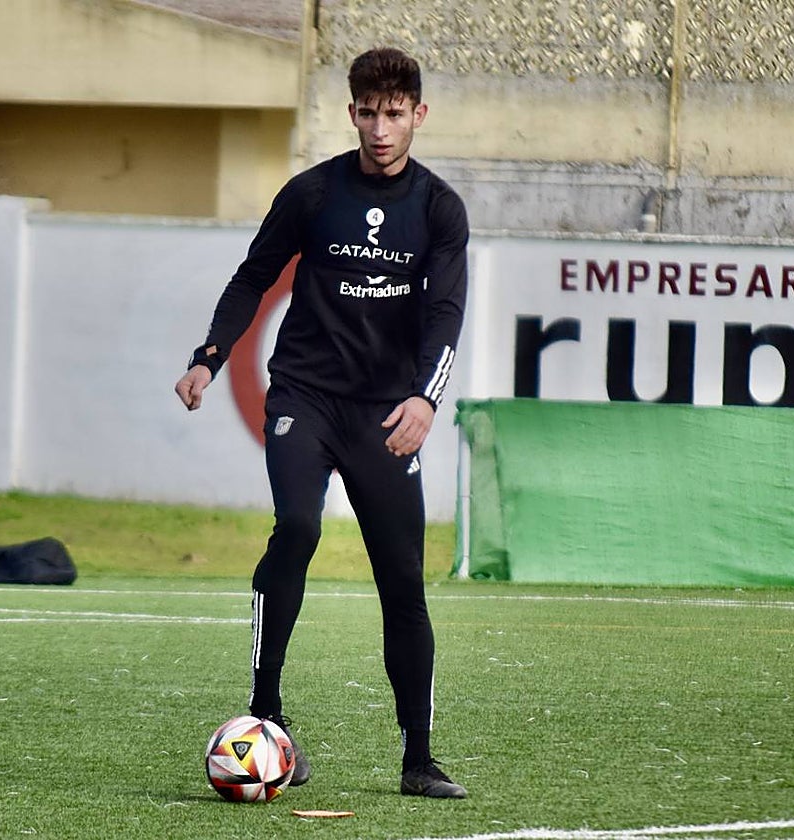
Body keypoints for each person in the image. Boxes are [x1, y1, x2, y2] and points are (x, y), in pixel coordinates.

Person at [174, 46, 469, 799]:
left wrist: (425, 397)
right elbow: (252, 276)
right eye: (368, 113)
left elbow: (444, 314)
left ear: (419, 117)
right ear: (352, 114)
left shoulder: (439, 209)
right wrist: (210, 356)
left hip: (384, 413)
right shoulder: (311, 193)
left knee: (402, 579)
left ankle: (418, 758)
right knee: (298, 528)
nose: (380, 128)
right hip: (304, 396)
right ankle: (267, 715)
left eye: (395, 114)